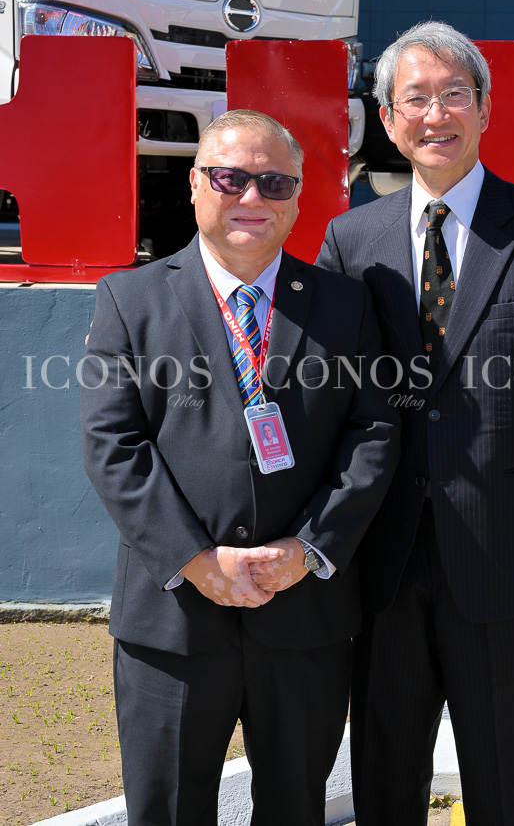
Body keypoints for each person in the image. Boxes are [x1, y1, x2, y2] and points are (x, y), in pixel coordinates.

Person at [316, 22, 514, 826]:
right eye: (414, 97)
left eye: (454, 94)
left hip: (505, 551)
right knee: (382, 773)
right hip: (379, 556)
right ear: (387, 120)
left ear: (483, 110)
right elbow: (336, 401)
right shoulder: (351, 240)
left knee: (498, 776)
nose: (435, 113)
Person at [80, 110, 400, 826]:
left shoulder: (344, 306)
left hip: (305, 619)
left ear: (295, 197)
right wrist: (195, 559)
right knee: (166, 810)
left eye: (273, 180)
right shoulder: (129, 302)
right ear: (195, 186)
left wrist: (307, 549)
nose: (251, 196)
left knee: (294, 809)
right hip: (174, 623)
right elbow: (113, 445)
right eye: (229, 177)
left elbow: (373, 434)